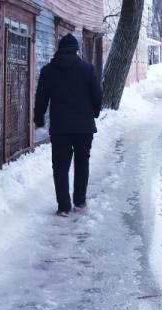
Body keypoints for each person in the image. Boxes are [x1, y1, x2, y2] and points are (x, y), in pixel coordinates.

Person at [34, 33, 102, 217]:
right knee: (82, 163)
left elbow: (41, 97)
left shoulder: (48, 71)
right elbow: (97, 94)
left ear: (60, 49)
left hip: (60, 127)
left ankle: (63, 206)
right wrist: (94, 113)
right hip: (83, 127)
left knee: (60, 166)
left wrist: (39, 119)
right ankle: (79, 202)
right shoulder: (87, 69)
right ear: (76, 49)